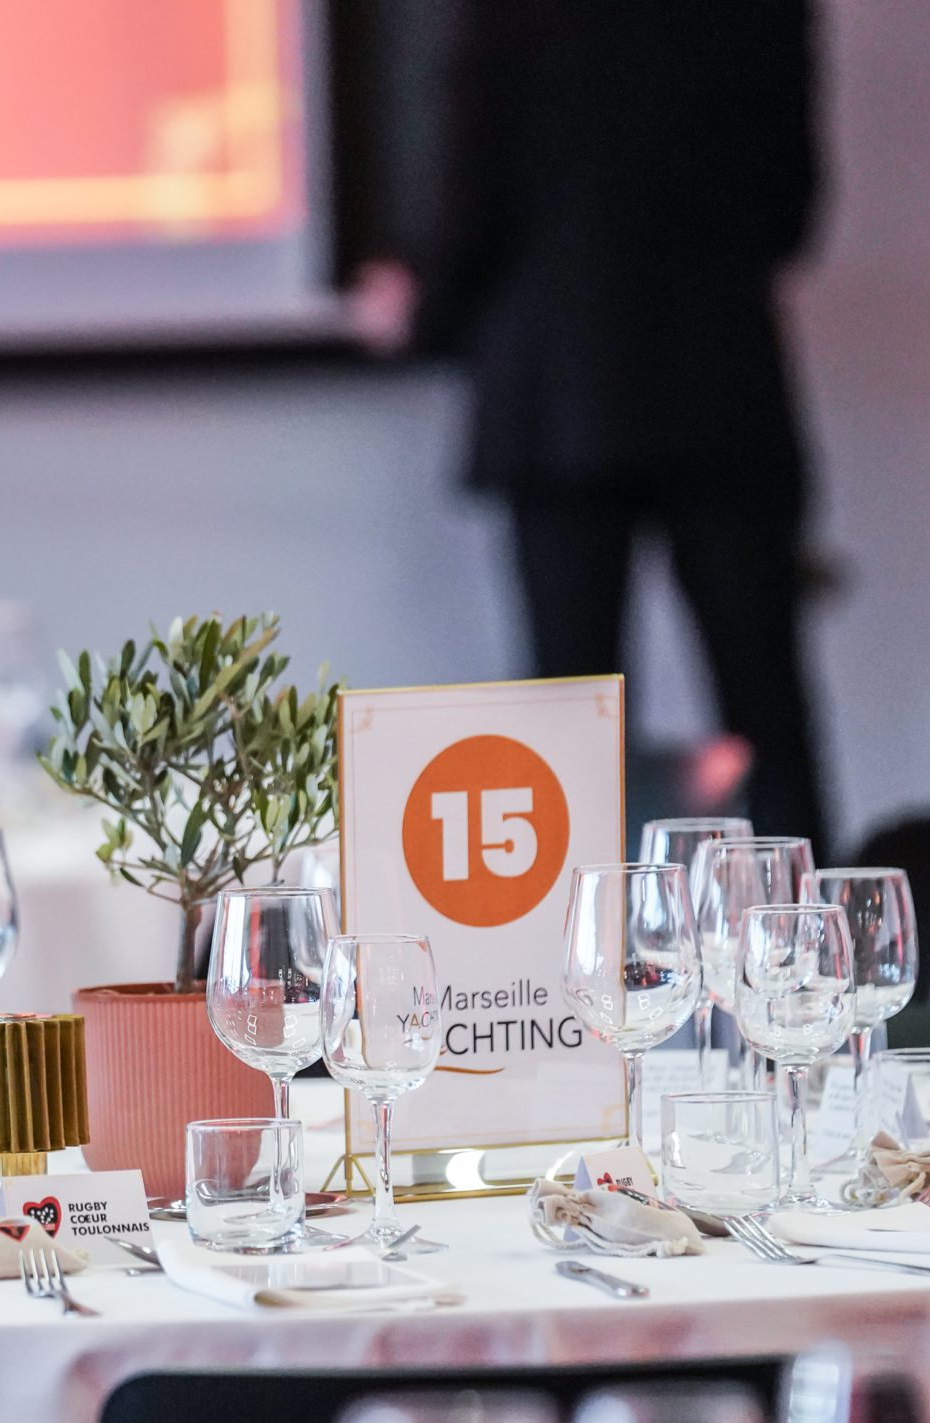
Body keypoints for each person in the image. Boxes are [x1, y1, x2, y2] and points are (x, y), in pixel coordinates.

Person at [358, 0, 833, 848]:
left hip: (561, 389)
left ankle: (583, 938)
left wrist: (421, 313)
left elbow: (474, 203)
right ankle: (811, 931)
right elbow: (789, 211)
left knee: (572, 732)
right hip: (721, 382)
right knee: (770, 717)